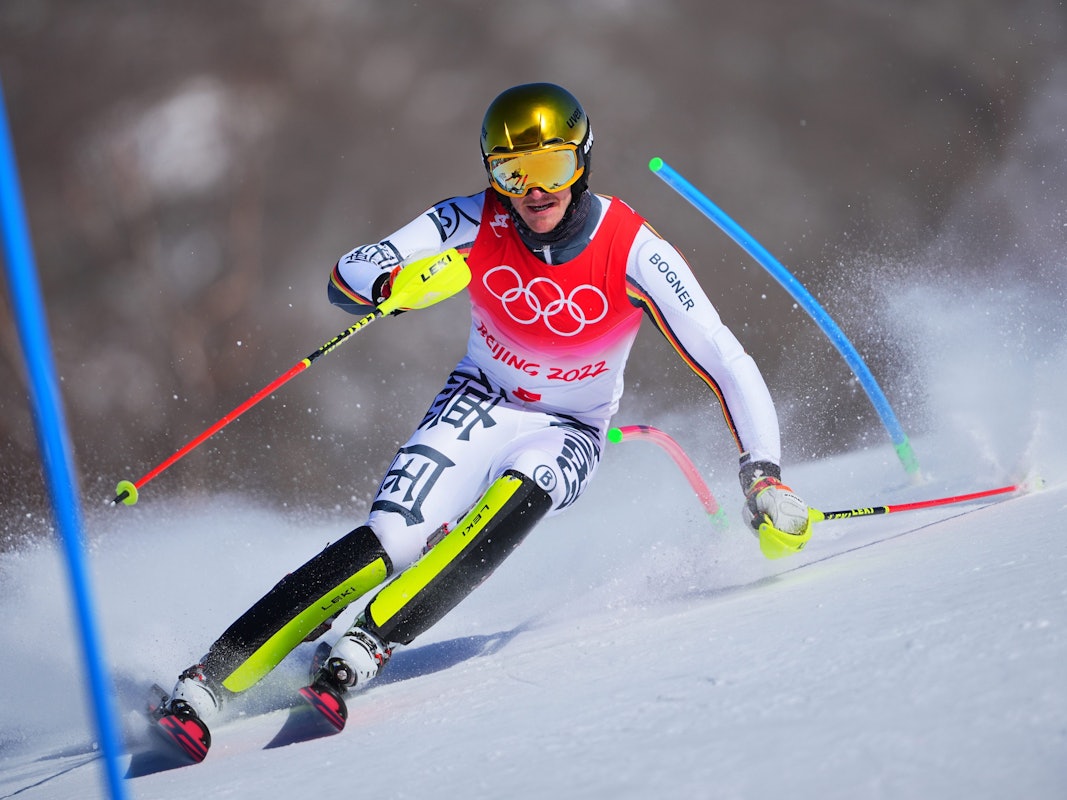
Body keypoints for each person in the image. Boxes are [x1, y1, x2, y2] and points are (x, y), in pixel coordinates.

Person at [161, 82, 812, 742]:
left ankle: (366, 645)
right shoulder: (474, 220)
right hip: (475, 400)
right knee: (391, 538)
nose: (534, 191)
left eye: (552, 166)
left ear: (582, 160)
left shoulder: (634, 249)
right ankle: (210, 680)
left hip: (567, 428)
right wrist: (395, 284)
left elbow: (724, 359)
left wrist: (763, 474)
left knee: (520, 494)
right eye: (511, 172)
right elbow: (348, 274)